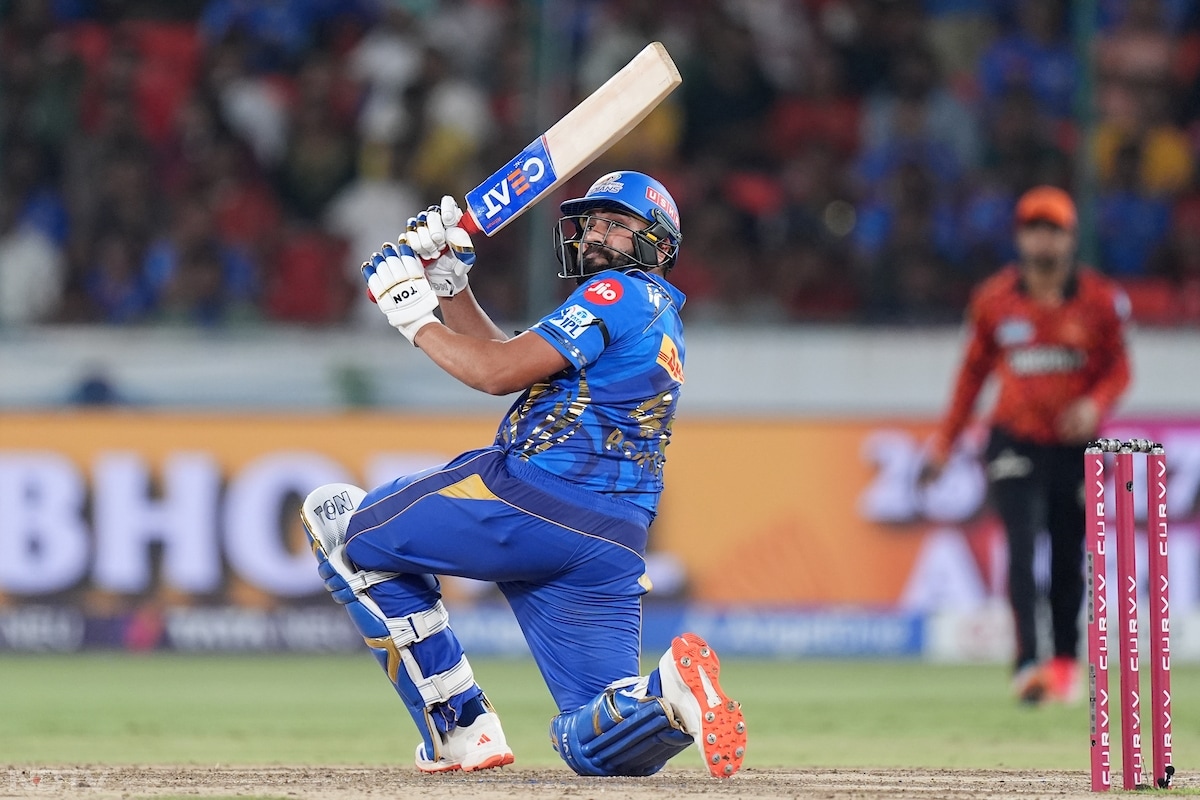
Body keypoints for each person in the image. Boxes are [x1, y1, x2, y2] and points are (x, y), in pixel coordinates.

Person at [299, 171, 746, 777]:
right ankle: (666, 690)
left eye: (617, 224)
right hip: (611, 539)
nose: (596, 234)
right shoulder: (656, 314)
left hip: (532, 496)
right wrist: (452, 287)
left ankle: (461, 725)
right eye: (592, 222)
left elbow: (494, 375)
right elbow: (510, 362)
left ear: (660, 245)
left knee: (346, 533)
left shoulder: (616, 292)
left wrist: (413, 317)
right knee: (595, 741)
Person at [920, 185, 1131, 704]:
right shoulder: (995, 300)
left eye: (1053, 229)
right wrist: (944, 443)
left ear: (1071, 238)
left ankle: (1064, 663)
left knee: (1067, 555)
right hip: (1013, 440)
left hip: (1075, 447)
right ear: (1019, 237)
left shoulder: (1099, 300)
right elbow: (971, 377)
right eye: (1034, 228)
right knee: (1020, 547)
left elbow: (1119, 369)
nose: (1043, 240)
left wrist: (1095, 405)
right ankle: (1027, 664)